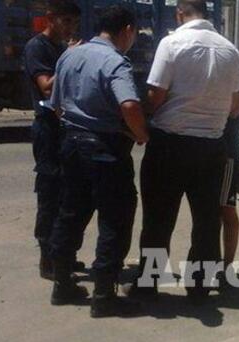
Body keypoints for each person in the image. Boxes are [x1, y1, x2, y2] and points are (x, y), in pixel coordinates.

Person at [132, 0, 239, 304]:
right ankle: (200, 288)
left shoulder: (172, 43)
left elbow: (155, 96)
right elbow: (235, 103)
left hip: (170, 145)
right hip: (211, 149)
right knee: (207, 222)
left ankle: (148, 284)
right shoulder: (230, 51)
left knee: (157, 221)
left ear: (179, 13)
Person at [48, 5, 150, 318]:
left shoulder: (70, 55)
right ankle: (104, 295)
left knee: (70, 213)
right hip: (105, 150)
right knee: (115, 219)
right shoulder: (114, 61)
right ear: (128, 31)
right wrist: (141, 135)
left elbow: (56, 106)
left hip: (72, 143)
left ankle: (62, 284)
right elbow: (130, 104)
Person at [23, 0, 81, 281]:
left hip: (65, 128)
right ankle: (48, 258)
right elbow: (46, 86)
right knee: (49, 194)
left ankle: (64, 254)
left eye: (73, 22)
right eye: (66, 21)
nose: (70, 27)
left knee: (68, 194)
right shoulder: (37, 47)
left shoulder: (60, 48)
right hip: (47, 128)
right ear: (51, 18)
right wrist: (70, 59)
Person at [218, 66, 239, 286]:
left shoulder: (237, 76)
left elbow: (234, 111)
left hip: (226, 155)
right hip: (209, 152)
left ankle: (227, 267)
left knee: (227, 211)